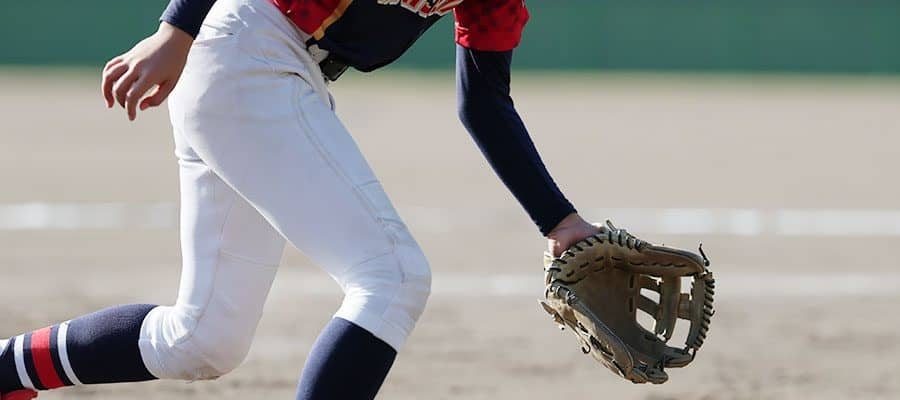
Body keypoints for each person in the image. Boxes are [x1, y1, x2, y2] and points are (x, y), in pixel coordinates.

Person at [0, 0, 601, 399]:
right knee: (393, 277)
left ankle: (7, 369)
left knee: (203, 339)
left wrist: (560, 221)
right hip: (248, 48)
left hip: (270, 69)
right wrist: (175, 30)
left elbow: (484, 102)